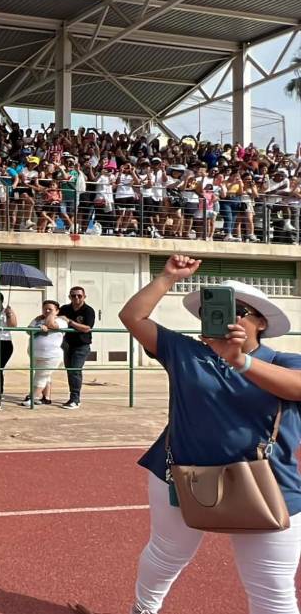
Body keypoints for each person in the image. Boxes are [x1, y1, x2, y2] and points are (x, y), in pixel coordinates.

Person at [120, 258, 301, 614]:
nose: (224, 315)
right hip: (182, 474)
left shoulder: (285, 360)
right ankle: (142, 610)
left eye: (240, 310)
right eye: (213, 309)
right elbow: (133, 318)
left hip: (269, 484)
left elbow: (297, 387)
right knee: (167, 553)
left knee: (272, 591)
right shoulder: (186, 352)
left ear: (260, 322)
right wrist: (168, 277)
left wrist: (240, 361)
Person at [58, 284, 95, 410]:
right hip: (67, 344)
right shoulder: (65, 308)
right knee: (70, 371)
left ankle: (75, 399)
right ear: (69, 297)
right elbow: (55, 317)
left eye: (79, 296)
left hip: (82, 345)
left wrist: (70, 322)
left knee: (75, 370)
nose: (76, 298)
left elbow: (87, 328)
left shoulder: (88, 310)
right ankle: (72, 398)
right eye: (73, 296)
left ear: (84, 297)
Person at [23, 300, 64, 407]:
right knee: (44, 376)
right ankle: (46, 398)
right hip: (35, 354)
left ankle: (33, 397)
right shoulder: (38, 320)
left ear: (57, 311)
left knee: (41, 376)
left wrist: (51, 316)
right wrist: (38, 328)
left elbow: (51, 324)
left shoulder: (61, 321)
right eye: (45, 308)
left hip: (51, 356)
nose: (47, 311)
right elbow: (28, 330)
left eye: (50, 309)